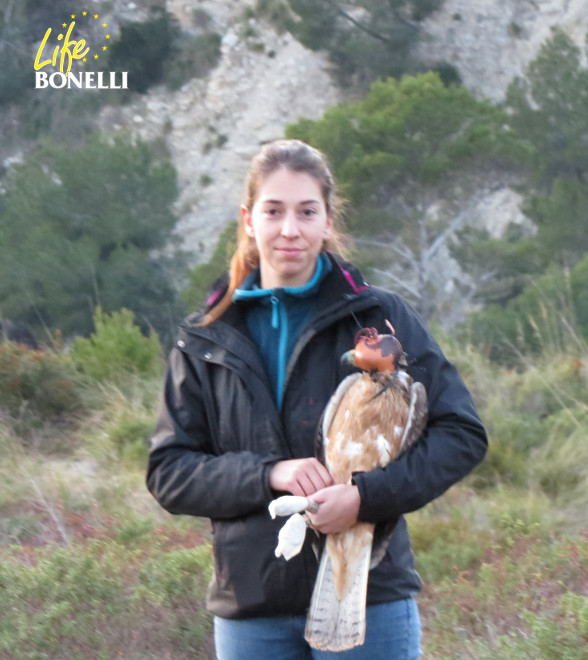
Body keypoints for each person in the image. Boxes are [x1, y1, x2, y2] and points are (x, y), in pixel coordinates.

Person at [146, 139, 488, 659]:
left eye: (307, 212)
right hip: (254, 609)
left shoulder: (379, 318)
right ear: (248, 219)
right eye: (274, 211)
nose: (290, 230)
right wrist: (269, 475)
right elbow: (169, 472)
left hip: (370, 598)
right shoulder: (205, 337)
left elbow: (461, 434)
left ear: (327, 221)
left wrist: (364, 498)